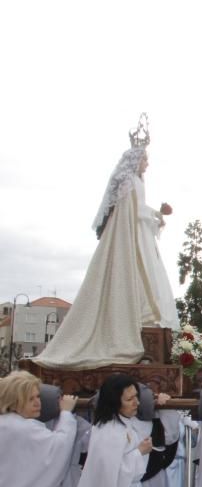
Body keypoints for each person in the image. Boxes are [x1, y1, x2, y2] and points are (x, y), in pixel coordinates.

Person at [35, 117, 179, 370]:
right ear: (135, 159)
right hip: (131, 236)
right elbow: (132, 212)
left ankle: (143, 316)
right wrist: (156, 215)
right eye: (145, 159)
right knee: (136, 277)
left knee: (146, 280)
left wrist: (157, 214)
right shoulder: (130, 182)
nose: (147, 163)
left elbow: (137, 211)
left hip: (137, 234)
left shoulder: (136, 182)